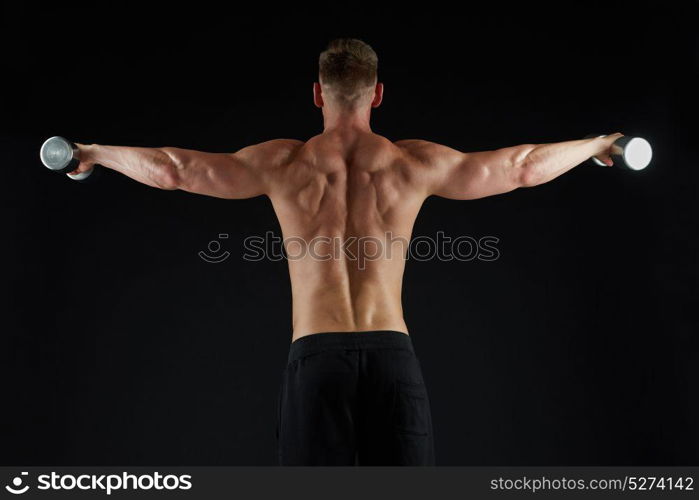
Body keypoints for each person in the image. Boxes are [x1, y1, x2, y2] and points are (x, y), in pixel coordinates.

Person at [69, 38, 622, 465]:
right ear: (378, 94)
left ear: (316, 93)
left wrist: (95, 152)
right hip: (392, 358)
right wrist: (595, 145)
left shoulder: (283, 164)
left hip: (316, 359)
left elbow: (174, 170)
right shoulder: (414, 164)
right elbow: (521, 167)